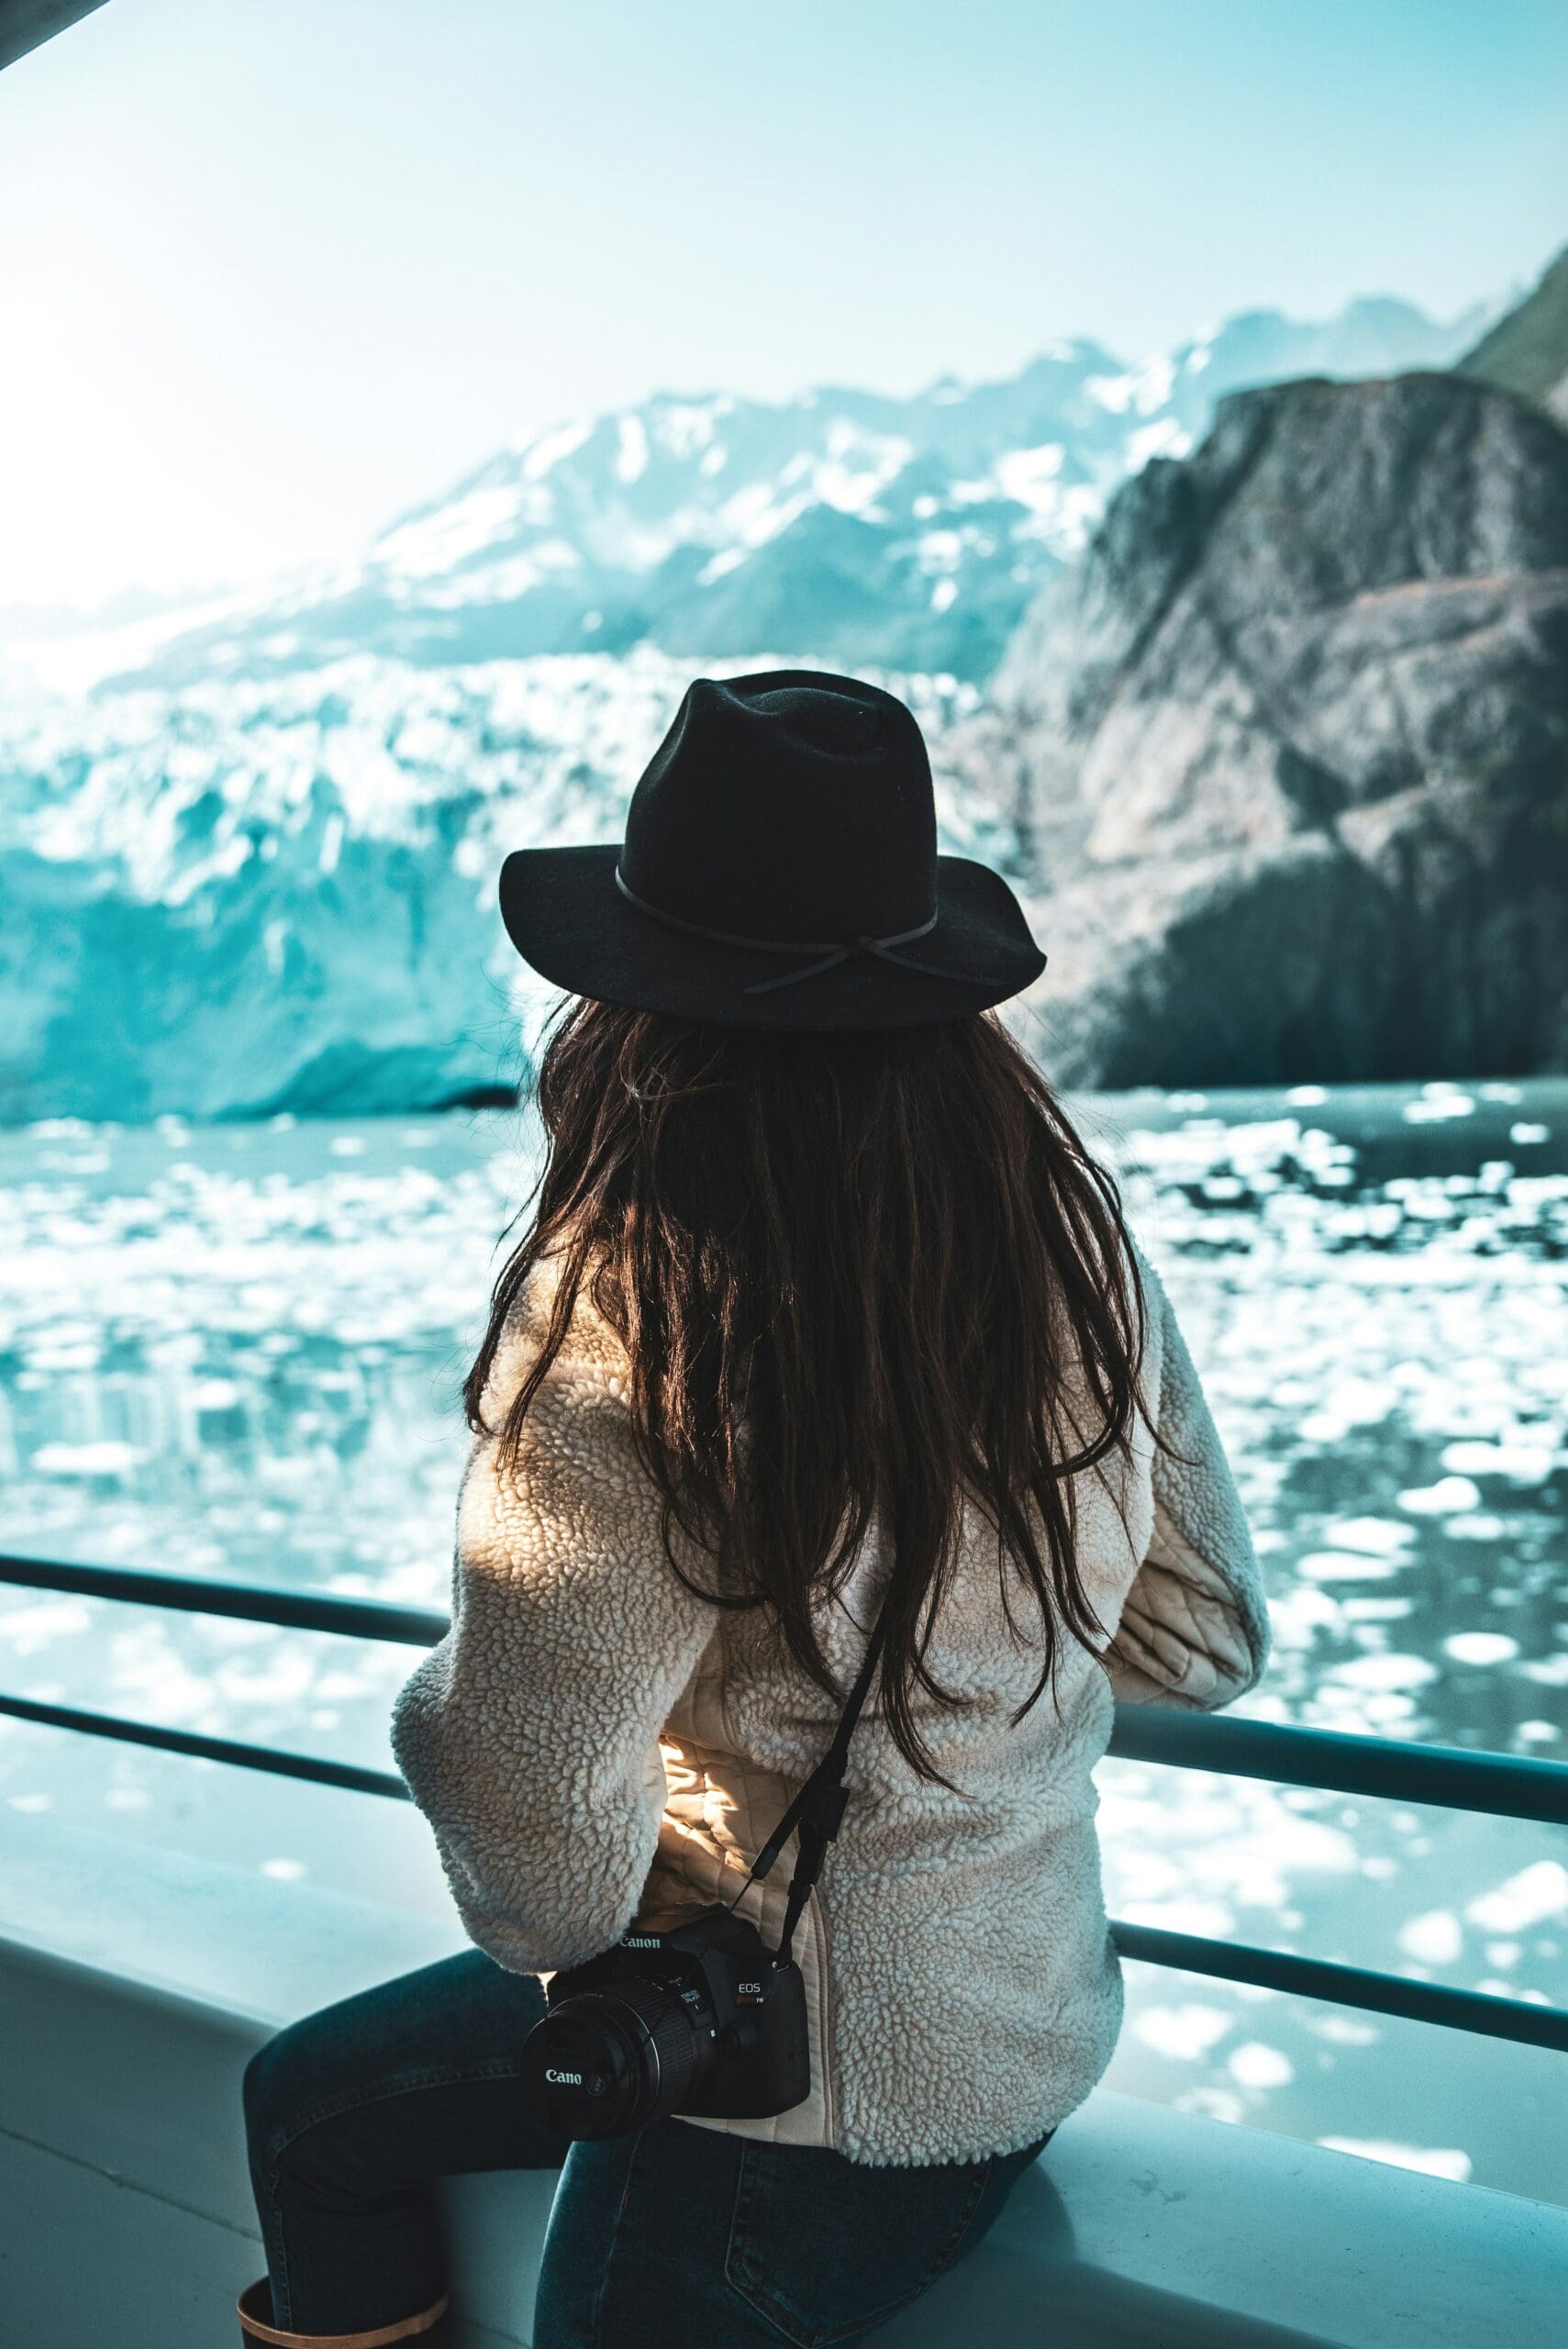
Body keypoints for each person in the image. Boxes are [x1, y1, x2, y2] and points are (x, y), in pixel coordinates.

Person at [236, 671, 1272, 2349]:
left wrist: (446, 1716)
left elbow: (540, 1889)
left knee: (310, 2117)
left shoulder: (631, 1321)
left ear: (637, 1008)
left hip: (767, 2110)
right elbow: (1204, 1640)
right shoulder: (1074, 1263)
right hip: (1019, 2051)